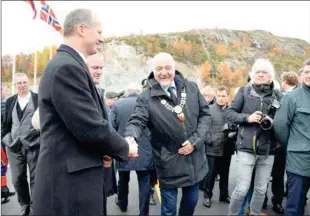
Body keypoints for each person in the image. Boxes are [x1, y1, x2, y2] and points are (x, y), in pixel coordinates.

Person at [31, 9, 138, 216]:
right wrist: (125, 147)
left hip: (74, 181)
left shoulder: (69, 64)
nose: (102, 38)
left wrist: (104, 151)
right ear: (81, 29)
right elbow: (89, 126)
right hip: (69, 187)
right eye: (99, 32)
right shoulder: (66, 68)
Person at [124, 52, 211, 216]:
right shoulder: (146, 97)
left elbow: (205, 115)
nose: (164, 72)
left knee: (191, 203)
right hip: (168, 162)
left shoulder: (191, 87)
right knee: (169, 211)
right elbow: (136, 120)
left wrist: (195, 141)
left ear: (174, 68)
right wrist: (130, 137)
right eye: (159, 68)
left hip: (194, 160)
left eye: (168, 67)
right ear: (153, 71)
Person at [227, 58, 281, 215]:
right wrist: (247, 118)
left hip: (268, 149)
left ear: (271, 76)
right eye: (258, 72)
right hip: (246, 148)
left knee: (261, 189)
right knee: (242, 188)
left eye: (265, 72)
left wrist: (273, 121)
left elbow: (284, 119)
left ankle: (255, 213)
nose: (261, 75)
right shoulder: (244, 91)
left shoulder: (278, 95)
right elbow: (230, 113)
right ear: (253, 74)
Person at [273, 58, 310, 216]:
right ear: (302, 75)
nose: (309, 75)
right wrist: (293, 146)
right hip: (298, 163)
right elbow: (280, 126)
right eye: (307, 72)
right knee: (295, 207)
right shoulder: (291, 98)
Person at [111, 83, 154, 215]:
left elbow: (111, 127)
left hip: (124, 147)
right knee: (144, 183)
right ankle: (143, 212)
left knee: (123, 179)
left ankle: (123, 204)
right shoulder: (147, 104)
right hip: (144, 149)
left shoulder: (117, 105)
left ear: (127, 93)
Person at [2, 73, 40, 216]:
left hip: (34, 145)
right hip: (14, 146)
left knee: (36, 178)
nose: (23, 85)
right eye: (19, 83)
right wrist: (6, 139)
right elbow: (5, 123)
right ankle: (24, 204)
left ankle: (35, 205)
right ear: (15, 85)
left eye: (25, 82)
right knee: (17, 179)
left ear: (29, 83)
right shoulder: (10, 101)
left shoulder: (37, 99)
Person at [86, 54, 118, 198]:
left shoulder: (98, 91)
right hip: (88, 162)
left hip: (101, 159)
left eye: (101, 68)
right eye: (94, 68)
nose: (99, 71)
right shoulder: (82, 92)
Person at [203, 86, 233, 208]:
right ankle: (207, 196)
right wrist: (209, 140)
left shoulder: (232, 111)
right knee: (210, 174)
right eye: (219, 96)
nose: (221, 99)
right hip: (212, 148)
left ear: (228, 97)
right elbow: (204, 127)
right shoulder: (209, 109)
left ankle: (224, 195)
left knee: (225, 173)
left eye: (223, 96)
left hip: (227, 147)